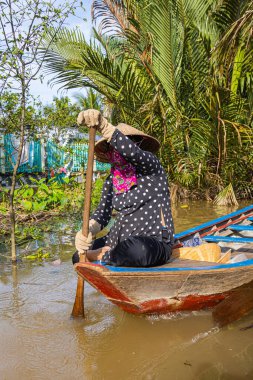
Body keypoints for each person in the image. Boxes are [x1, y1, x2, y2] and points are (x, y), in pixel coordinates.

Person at [72, 109, 174, 267]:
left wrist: (104, 126)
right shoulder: (112, 179)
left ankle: (103, 257)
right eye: (112, 148)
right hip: (118, 242)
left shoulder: (151, 167)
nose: (118, 151)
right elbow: (102, 215)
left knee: (138, 250)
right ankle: (104, 256)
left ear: (137, 144)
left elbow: (133, 154)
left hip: (153, 242)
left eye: (126, 143)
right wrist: (87, 231)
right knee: (77, 257)